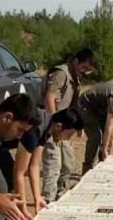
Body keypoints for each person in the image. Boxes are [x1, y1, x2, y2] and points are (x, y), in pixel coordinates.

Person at [0, 107, 85, 220]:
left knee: (10, 182)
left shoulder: (47, 127)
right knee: (0, 188)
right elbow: (20, 172)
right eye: (69, 134)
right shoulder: (35, 131)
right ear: (59, 126)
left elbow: (34, 165)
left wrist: (37, 198)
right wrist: (24, 208)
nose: (67, 139)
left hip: (0, 145)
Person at [41, 48, 97, 201]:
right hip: (52, 126)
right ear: (75, 61)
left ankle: (60, 191)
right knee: (54, 164)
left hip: (65, 126)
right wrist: (52, 126)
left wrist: (77, 126)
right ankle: (47, 199)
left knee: (68, 164)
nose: (85, 72)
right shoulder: (61, 74)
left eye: (89, 70)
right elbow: (49, 98)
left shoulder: (75, 77)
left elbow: (72, 105)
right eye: (84, 67)